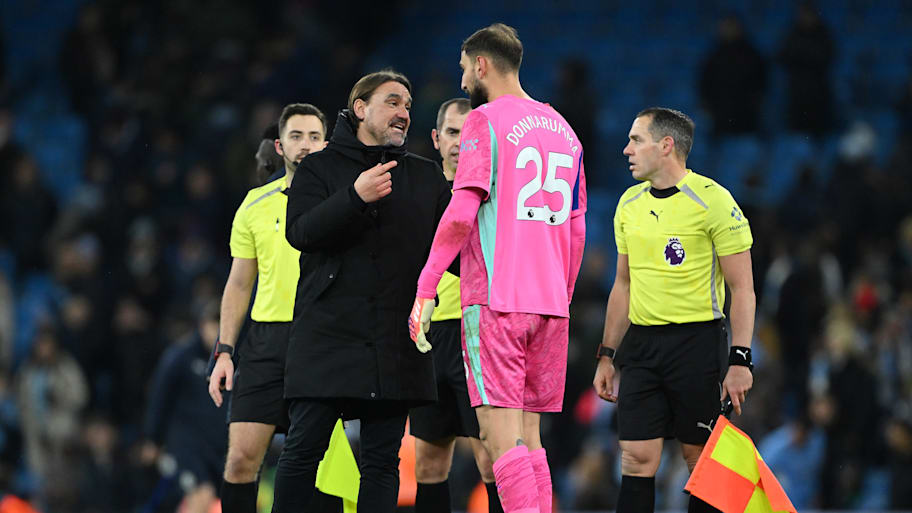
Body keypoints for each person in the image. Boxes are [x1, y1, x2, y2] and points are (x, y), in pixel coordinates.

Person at [408, 24, 587, 513]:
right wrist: (562, 295)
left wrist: (427, 286)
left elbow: (463, 212)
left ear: (482, 64)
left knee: (499, 436)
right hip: (550, 303)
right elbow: (575, 230)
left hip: (497, 300)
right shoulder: (565, 130)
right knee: (531, 436)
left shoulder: (484, 122)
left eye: (465, 68)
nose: (463, 79)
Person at [273, 69, 452, 513]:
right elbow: (300, 233)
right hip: (327, 338)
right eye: (393, 102)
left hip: (394, 341)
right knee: (301, 454)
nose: (404, 113)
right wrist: (354, 196)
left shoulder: (426, 177)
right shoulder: (318, 167)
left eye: (408, 105)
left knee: (381, 462)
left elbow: (457, 249)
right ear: (360, 109)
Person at [591, 107, 755, 513]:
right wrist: (608, 354)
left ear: (666, 146)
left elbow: (743, 289)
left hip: (697, 344)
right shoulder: (628, 204)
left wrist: (741, 359)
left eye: (636, 140)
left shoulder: (714, 201)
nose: (626, 148)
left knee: (699, 462)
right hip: (643, 348)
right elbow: (623, 285)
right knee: (634, 458)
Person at [207, 103, 328, 513]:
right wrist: (224, 351)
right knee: (241, 460)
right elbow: (239, 283)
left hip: (322, 342)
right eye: (296, 136)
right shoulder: (255, 205)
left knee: (316, 470)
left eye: (314, 136)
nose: (305, 145)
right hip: (265, 344)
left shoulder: (345, 203)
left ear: (326, 143)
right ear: (279, 146)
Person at [409, 97, 502, 513]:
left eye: (468, 134)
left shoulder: (493, 197)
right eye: (451, 132)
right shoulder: (414, 194)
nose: (459, 142)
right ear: (435, 138)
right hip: (426, 341)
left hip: (477, 334)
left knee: (490, 457)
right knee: (429, 462)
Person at [143, 302, 226, 513]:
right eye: (212, 323)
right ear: (201, 324)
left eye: (221, 323)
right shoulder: (180, 357)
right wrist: (153, 438)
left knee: (218, 499)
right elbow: (160, 397)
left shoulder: (231, 361)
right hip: (187, 444)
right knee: (201, 493)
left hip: (218, 446)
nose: (216, 330)